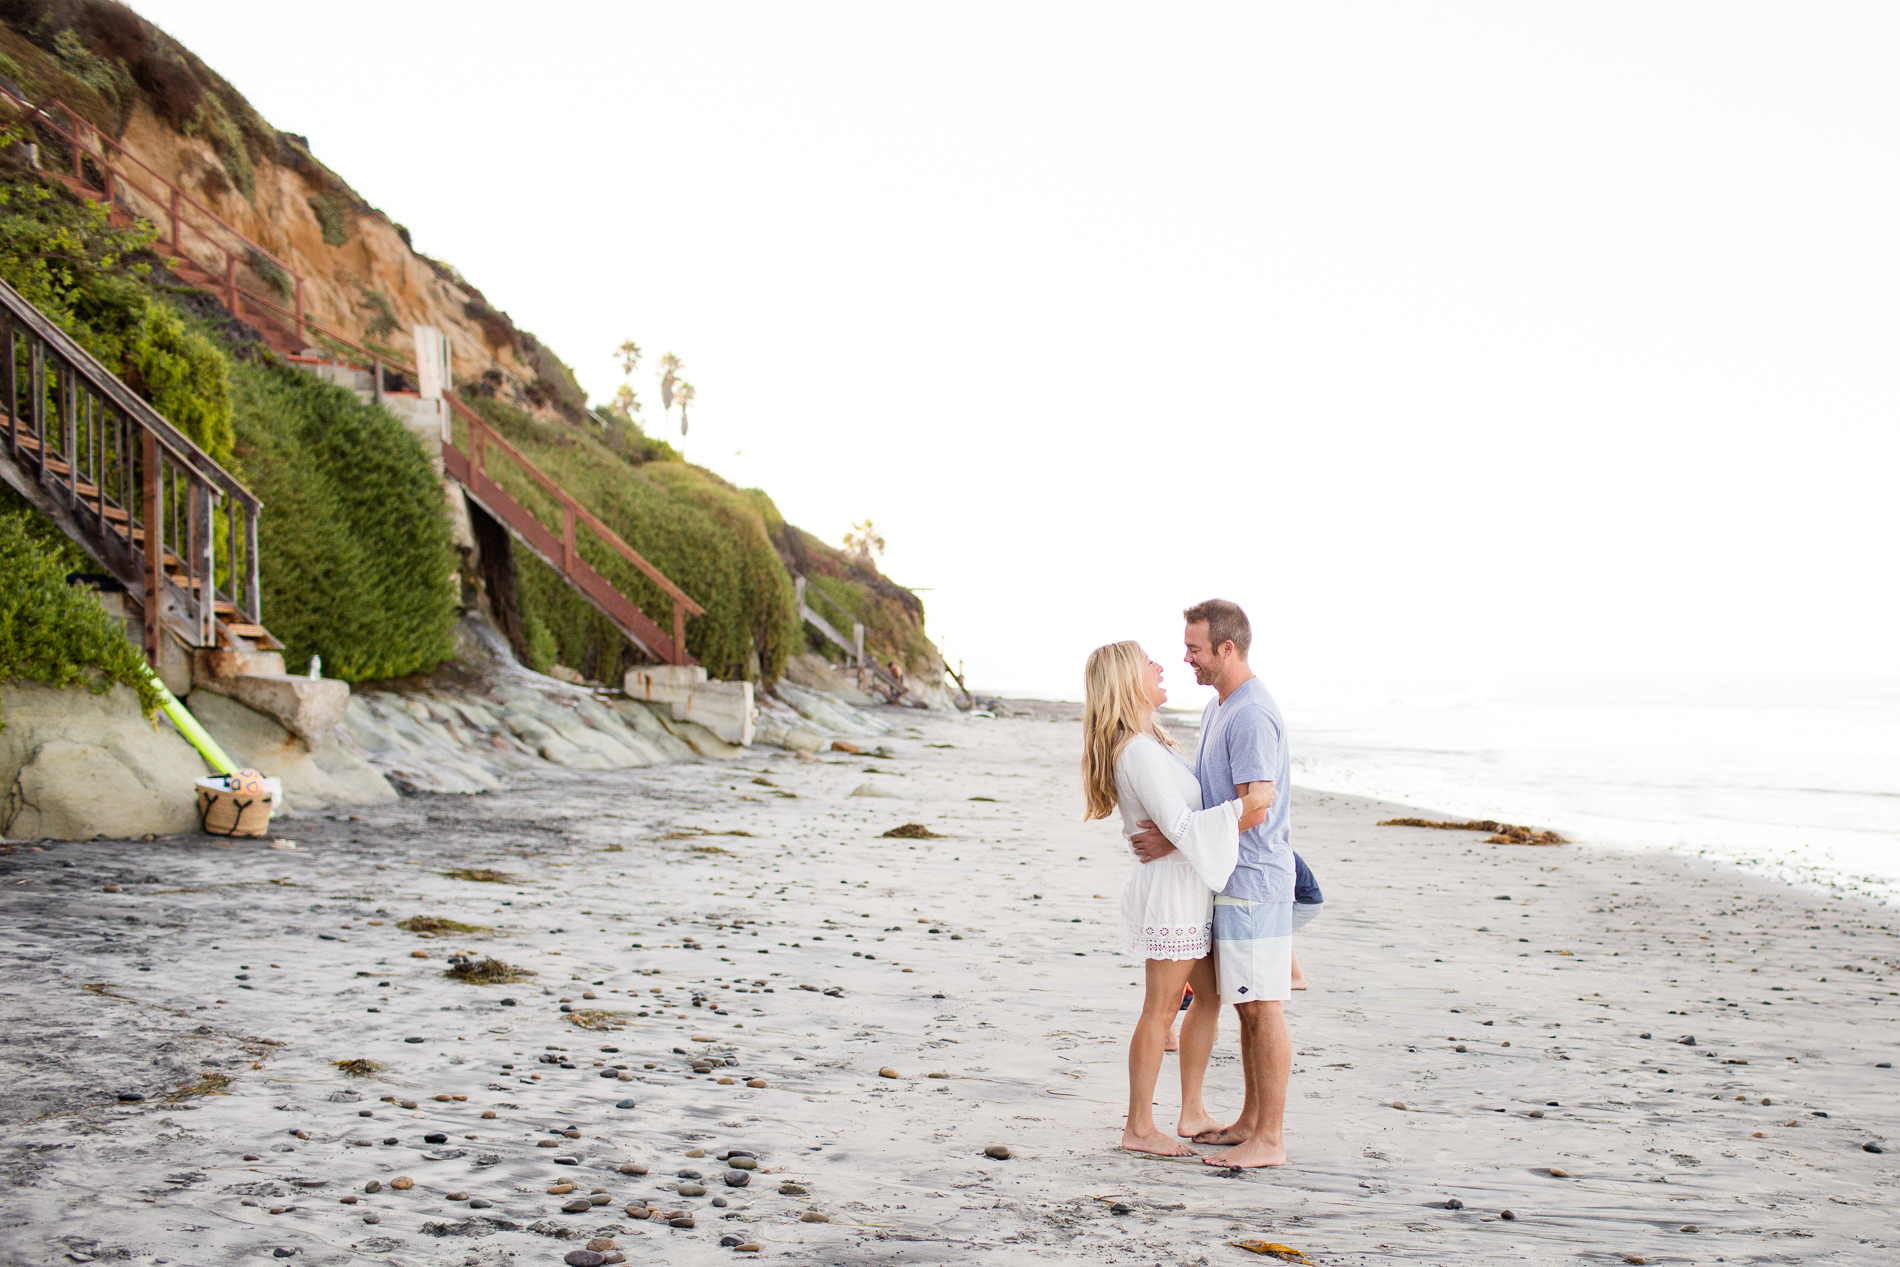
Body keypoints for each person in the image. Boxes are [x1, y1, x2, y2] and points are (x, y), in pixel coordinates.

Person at [1082, 640, 1274, 1157]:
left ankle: (1191, 1111)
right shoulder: (1138, 751)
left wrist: (1218, 817)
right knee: (1160, 1010)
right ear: (1127, 680)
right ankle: (1139, 1128)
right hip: (1171, 893)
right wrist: (1244, 806)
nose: (1162, 666)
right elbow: (1185, 824)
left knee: (1209, 997)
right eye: (1149, 664)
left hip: (1188, 885)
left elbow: (1179, 827)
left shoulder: (1155, 742)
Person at [1131, 599, 1294, 1168]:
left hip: (1252, 879)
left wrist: (1174, 841)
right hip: (1225, 876)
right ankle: (1249, 1122)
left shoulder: (1249, 714)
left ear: (1227, 648)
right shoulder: (1217, 708)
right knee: (1245, 1003)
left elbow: (1254, 806)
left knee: (1262, 1007)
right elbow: (1213, 798)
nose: (1186, 657)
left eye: (1195, 648)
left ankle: (1268, 1139)